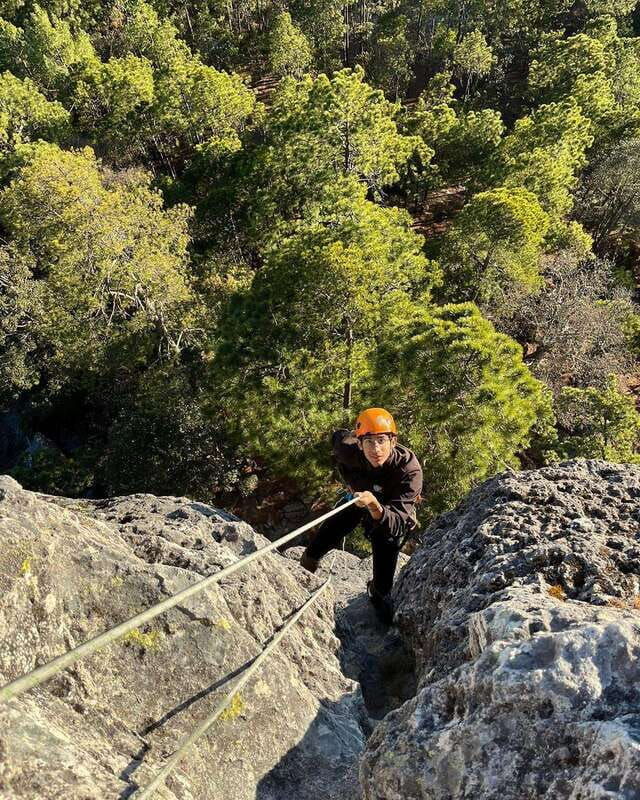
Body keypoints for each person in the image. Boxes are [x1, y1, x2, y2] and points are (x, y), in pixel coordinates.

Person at [299, 407, 423, 625]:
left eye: (381, 441)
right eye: (369, 442)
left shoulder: (409, 471)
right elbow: (338, 437)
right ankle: (305, 568)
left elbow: (396, 523)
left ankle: (376, 593)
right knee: (330, 530)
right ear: (359, 443)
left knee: (383, 579)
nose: (376, 449)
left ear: (393, 441)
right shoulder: (348, 450)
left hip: (390, 515)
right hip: (359, 498)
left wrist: (374, 505)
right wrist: (352, 485)